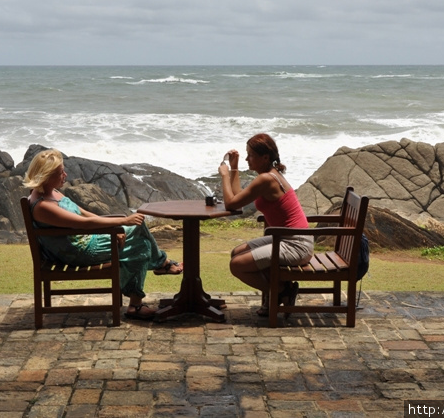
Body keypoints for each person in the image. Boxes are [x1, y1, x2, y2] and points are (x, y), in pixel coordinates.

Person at [24, 149, 182, 321]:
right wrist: (121, 223)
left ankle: (148, 284)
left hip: (85, 240)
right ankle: (156, 272)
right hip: (79, 252)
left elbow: (84, 213)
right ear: (46, 176)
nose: (65, 174)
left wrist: (113, 228)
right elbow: (83, 224)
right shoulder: (43, 206)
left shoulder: (50, 192)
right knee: (140, 242)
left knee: (138, 232)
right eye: (60, 172)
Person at [218, 133, 312, 316]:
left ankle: (282, 292)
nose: (247, 159)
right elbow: (238, 197)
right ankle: (278, 291)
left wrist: (224, 176)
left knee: (237, 264)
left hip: (296, 245)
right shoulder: (269, 176)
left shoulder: (267, 179)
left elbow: (231, 203)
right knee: (236, 253)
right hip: (284, 238)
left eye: (250, 155)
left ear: (265, 158)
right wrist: (234, 167)